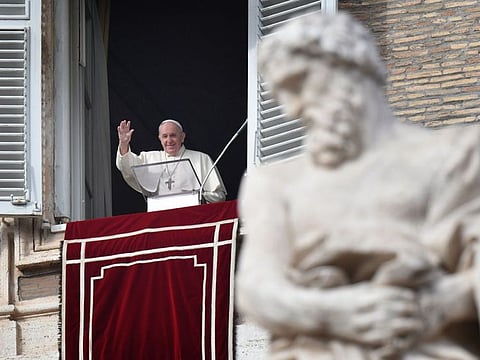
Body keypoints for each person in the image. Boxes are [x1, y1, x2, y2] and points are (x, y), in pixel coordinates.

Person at [235, 11, 480, 359]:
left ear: (350, 63)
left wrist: (433, 306)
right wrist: (337, 313)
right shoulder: (273, 182)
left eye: (299, 83)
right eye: (281, 96)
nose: (291, 110)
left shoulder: (453, 155)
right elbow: (256, 288)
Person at [116, 118, 226, 204]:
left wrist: (196, 196)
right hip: (160, 218)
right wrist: (124, 144)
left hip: (192, 217)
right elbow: (127, 168)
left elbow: (219, 196)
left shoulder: (201, 159)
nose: (169, 140)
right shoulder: (149, 158)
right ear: (160, 138)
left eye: (173, 135)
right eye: (165, 136)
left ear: (182, 137)